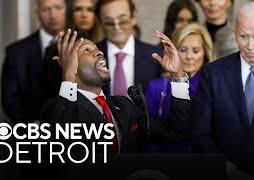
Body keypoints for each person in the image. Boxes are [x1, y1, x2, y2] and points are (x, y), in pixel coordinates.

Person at [174, 2, 254, 179]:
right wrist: (229, 170)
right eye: (243, 36)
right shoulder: (213, 74)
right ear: (235, 32)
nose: (250, 45)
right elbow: (200, 133)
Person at [41, 28, 191, 154]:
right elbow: (61, 143)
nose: (99, 53)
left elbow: (175, 133)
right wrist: (68, 77)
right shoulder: (53, 109)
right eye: (87, 50)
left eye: (97, 49)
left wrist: (177, 76)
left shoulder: (124, 105)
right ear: (66, 64)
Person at [145, 23, 213, 153]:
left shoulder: (213, 87)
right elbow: (150, 135)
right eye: (182, 50)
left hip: (202, 160)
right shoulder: (156, 87)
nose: (189, 56)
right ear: (173, 51)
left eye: (196, 51)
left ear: (205, 53)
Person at [1, 0, 66, 123]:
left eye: (58, 7)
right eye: (46, 9)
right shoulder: (16, 51)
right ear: (37, 13)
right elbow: (10, 100)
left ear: (66, 9)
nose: (53, 15)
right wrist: (33, 127)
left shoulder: (82, 45)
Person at [95, 0, 162, 96]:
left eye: (122, 20)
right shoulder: (91, 57)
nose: (117, 27)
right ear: (100, 22)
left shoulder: (155, 57)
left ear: (133, 17)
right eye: (109, 22)